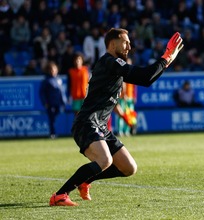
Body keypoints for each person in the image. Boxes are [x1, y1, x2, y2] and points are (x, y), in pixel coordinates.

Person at [49, 28, 183, 206]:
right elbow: (144, 77)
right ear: (113, 44)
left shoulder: (113, 68)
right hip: (87, 123)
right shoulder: (109, 62)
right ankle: (60, 195)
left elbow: (145, 80)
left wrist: (167, 61)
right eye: (126, 42)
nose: (129, 46)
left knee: (129, 168)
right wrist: (166, 57)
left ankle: (85, 180)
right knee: (104, 160)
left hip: (101, 126)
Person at [39, 61, 67, 138]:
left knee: (55, 117)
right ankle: (52, 133)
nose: (53, 71)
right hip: (50, 103)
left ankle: (55, 132)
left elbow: (62, 92)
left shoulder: (59, 80)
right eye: (51, 69)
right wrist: (45, 102)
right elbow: (42, 93)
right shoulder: (46, 81)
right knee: (51, 119)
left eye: (54, 69)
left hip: (58, 103)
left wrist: (63, 101)